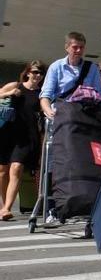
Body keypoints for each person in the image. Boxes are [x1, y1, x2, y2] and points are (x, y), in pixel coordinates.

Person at [39, 32, 101, 227]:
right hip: (62, 121)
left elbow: (100, 96)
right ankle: (52, 206)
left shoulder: (91, 69)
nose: (78, 51)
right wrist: (50, 113)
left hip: (83, 122)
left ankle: (83, 203)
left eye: (81, 47)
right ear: (67, 47)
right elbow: (46, 96)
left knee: (84, 161)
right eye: (75, 47)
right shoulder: (56, 67)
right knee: (56, 161)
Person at [0, 61, 46, 220]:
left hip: (28, 137)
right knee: (2, 172)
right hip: (7, 134)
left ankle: (6, 208)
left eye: (40, 73)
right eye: (34, 72)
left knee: (16, 168)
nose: (37, 75)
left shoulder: (42, 93)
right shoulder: (16, 86)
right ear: (27, 72)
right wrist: (8, 93)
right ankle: (5, 204)